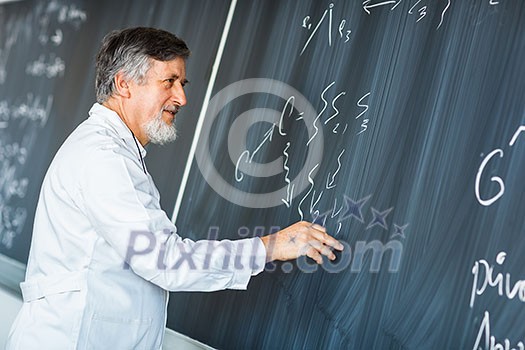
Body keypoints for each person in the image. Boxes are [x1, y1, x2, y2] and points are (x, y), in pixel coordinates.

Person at [6, 27, 343, 349]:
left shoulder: (111, 150)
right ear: (124, 84)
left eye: (182, 83)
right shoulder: (104, 157)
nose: (181, 97)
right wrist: (269, 247)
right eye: (169, 81)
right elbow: (164, 260)